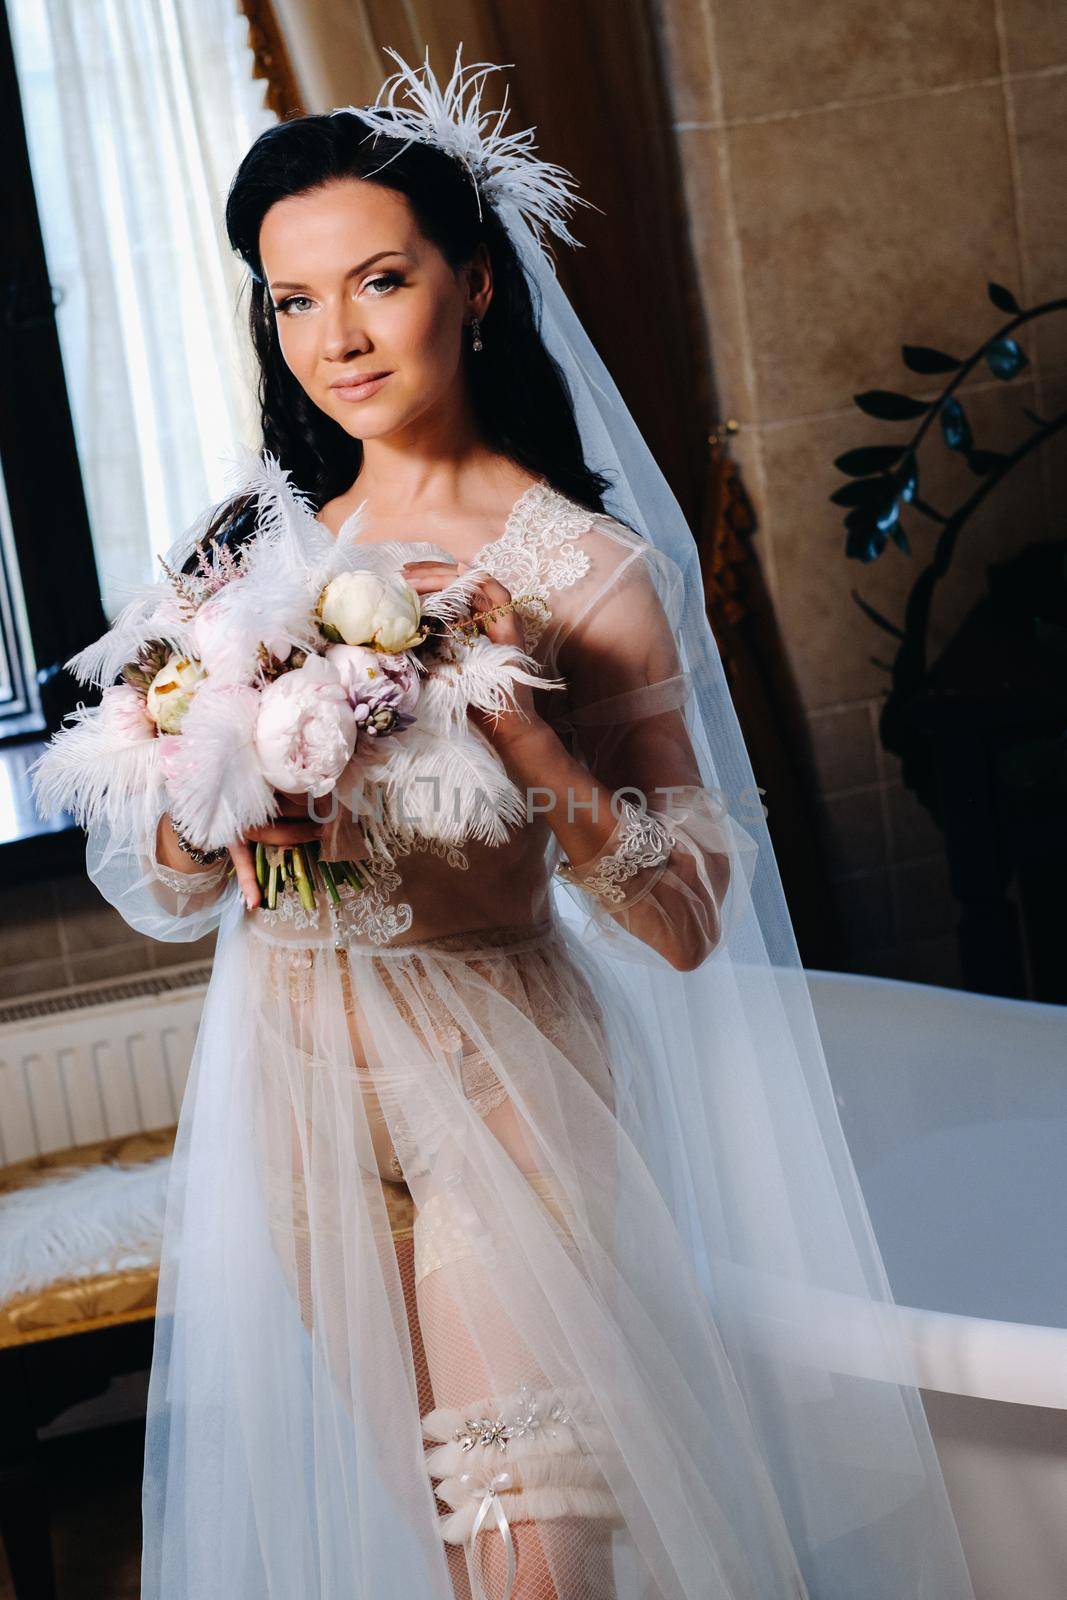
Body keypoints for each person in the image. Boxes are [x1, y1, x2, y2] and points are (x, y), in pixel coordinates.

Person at [84, 47, 976, 1600]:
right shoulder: (239, 550)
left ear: (475, 282)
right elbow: (161, 882)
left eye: (378, 281)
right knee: (433, 1557)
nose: (337, 338)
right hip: (293, 1100)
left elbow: (686, 922)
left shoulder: (582, 571)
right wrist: (217, 799)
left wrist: (524, 734)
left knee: (538, 1566)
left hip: (504, 1083)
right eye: (294, 301)